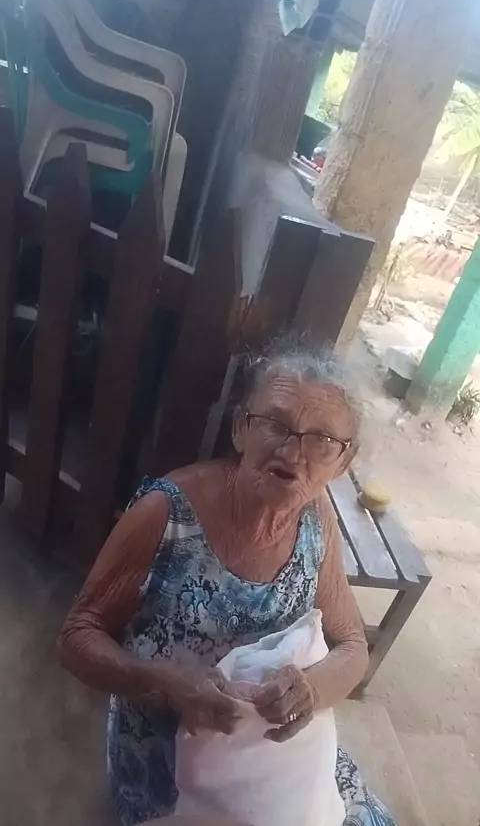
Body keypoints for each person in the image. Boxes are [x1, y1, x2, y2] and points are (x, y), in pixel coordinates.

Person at [59, 337, 396, 826]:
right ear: (240, 428)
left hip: (270, 751)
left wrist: (310, 690)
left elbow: (351, 645)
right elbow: (76, 637)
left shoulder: (316, 517)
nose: (293, 452)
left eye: (322, 439)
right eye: (275, 424)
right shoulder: (165, 514)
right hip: (169, 754)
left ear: (343, 463)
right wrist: (168, 686)